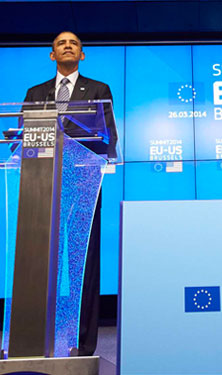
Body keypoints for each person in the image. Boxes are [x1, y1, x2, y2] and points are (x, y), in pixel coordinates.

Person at [23, 31, 116, 356]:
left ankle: (84, 342)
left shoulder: (98, 91)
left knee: (83, 266)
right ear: (52, 55)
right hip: (42, 187)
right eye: (61, 43)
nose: (67, 46)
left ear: (82, 55)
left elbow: (108, 139)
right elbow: (25, 138)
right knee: (43, 266)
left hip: (83, 184)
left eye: (73, 43)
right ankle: (38, 338)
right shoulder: (36, 93)